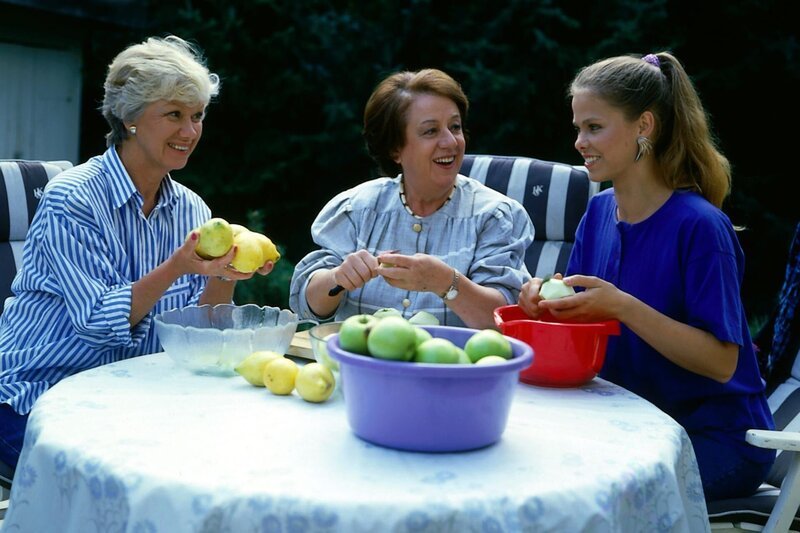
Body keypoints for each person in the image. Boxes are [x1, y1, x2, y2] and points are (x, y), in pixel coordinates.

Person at [0, 36, 274, 471]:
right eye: (174, 115)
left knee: (235, 455)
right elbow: (96, 324)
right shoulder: (72, 198)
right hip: (40, 393)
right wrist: (176, 268)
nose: (190, 132)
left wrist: (224, 276)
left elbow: (196, 335)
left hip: (134, 395)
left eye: (198, 116)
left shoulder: (193, 210)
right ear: (130, 118)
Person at [518, 52, 775, 501]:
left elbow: (721, 362)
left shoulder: (700, 226)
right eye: (578, 127)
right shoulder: (598, 212)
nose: (579, 141)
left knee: (586, 498)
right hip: (629, 426)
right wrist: (545, 305)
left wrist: (622, 305)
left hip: (712, 439)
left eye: (594, 127)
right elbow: (586, 325)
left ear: (644, 126)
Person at [290, 68, 533, 328]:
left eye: (455, 127)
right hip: (359, 367)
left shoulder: (495, 216)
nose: (451, 142)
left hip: (456, 368)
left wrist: (445, 282)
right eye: (431, 131)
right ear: (395, 149)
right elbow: (307, 306)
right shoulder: (357, 208)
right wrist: (337, 277)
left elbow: (506, 319)